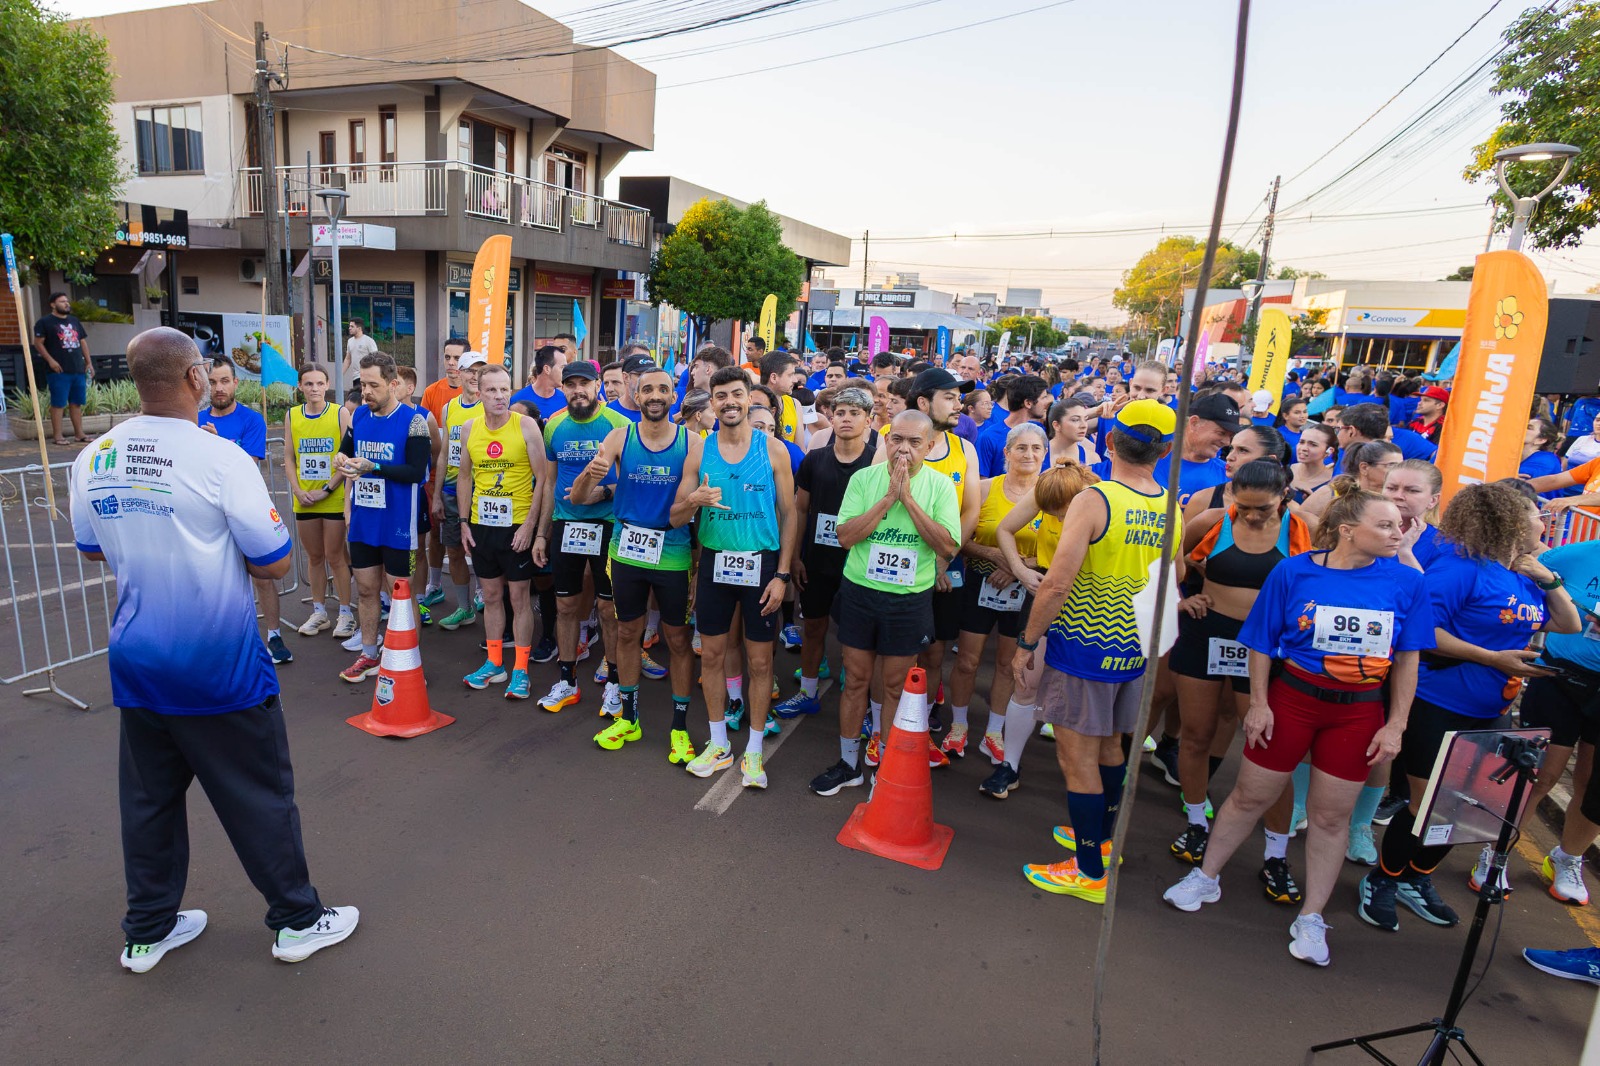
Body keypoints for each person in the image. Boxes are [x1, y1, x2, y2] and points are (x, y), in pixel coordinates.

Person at [70, 326, 357, 973]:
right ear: (196, 379)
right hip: (217, 665)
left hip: (138, 661)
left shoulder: (95, 457)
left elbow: (92, 549)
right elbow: (276, 561)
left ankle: (146, 930)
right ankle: (297, 920)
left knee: (148, 802)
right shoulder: (219, 457)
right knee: (259, 795)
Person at [1164, 489, 1432, 967]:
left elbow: (1408, 658)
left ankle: (1312, 917)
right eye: (1387, 525)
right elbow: (1262, 642)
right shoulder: (1294, 571)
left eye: (1400, 525)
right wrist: (1260, 703)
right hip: (1294, 699)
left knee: (1330, 819)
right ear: (1348, 530)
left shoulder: (1407, 582)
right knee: (1249, 796)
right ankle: (1206, 877)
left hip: (1357, 711)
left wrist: (1396, 725)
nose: (1400, 533)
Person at [1359, 484, 1578, 932]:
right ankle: (1382, 879)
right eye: (1535, 513)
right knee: (1427, 805)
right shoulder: (1461, 570)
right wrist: (1492, 658)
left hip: (1490, 710)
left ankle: (1417, 878)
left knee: (1469, 809)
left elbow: (1567, 624)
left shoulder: (1523, 575)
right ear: (1511, 522)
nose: (1544, 520)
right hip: (1438, 703)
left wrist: (1548, 578)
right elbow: (1421, 632)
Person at [1014, 399, 1181, 904]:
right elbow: (1168, 583)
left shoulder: (1096, 499)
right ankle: (1102, 843)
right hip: (1132, 649)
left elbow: (1055, 583)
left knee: (1077, 759)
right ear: (1167, 450)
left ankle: (1089, 870)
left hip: (1084, 647)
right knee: (1110, 746)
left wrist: (1027, 641)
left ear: (1109, 440)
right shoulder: (1171, 504)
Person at [1171, 460, 1312, 898]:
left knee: (1269, 752)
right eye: (1244, 506)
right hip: (1207, 632)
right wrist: (1181, 597)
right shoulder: (1213, 520)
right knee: (1195, 735)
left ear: (1285, 496)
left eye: (1263, 508)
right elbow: (1165, 553)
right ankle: (1196, 823)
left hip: (1266, 647)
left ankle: (1275, 853)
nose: (1251, 516)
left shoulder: (1305, 527)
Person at [808, 409, 960, 796]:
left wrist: (907, 499)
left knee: (894, 686)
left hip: (908, 601)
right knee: (856, 680)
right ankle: (848, 763)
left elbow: (947, 545)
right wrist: (888, 497)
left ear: (929, 445)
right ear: (886, 440)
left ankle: (886, 769)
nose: (903, 450)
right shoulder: (864, 479)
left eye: (914, 442)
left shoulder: (940, 486)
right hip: (861, 593)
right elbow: (845, 536)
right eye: (897, 440)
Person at [670, 366, 797, 788]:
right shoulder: (699, 451)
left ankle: (755, 751)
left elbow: (790, 514)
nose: (728, 402)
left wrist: (781, 575)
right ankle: (720, 742)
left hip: (761, 565)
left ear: (749, 399)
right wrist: (694, 500)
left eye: (736, 395)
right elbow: (674, 517)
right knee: (711, 657)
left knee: (761, 661)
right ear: (712, 402)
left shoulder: (773, 449)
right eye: (720, 396)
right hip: (714, 565)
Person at [571, 364, 698, 764]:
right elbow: (576, 498)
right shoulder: (618, 436)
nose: (656, 396)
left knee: (677, 639)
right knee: (627, 633)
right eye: (648, 390)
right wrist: (590, 477)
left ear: (673, 395)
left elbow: (681, 512)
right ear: (636, 395)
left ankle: (679, 727)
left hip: (673, 550)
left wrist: (692, 503)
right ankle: (629, 717)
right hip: (626, 549)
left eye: (664, 389)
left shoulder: (693, 443)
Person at [943, 424, 1047, 779]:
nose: (1029, 455)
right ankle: (958, 726)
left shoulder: (1052, 495)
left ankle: (993, 732)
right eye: (1021, 448)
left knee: (1007, 666)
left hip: (1026, 590)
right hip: (980, 582)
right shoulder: (986, 489)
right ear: (1006, 452)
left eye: (1036, 448)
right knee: (969, 662)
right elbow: (961, 537)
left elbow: (1060, 548)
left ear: (1044, 454)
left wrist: (1018, 567)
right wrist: (996, 555)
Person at [532, 360, 631, 714]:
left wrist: (603, 493)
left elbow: (633, 484)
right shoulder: (554, 426)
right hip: (565, 526)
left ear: (597, 387)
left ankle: (616, 683)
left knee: (608, 608)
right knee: (565, 606)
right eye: (570, 384)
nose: (577, 390)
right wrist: (542, 534)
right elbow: (547, 484)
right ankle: (567, 681)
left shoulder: (619, 425)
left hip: (607, 526)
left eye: (584, 384)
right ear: (563, 388)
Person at [780, 386, 878, 725]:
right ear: (831, 417)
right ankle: (808, 693)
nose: (847, 418)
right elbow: (801, 509)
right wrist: (794, 557)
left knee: (857, 641)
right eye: (841, 412)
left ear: (869, 420)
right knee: (813, 628)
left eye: (855, 413)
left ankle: (862, 706)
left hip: (860, 565)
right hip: (817, 562)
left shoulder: (876, 462)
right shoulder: (815, 460)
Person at [454, 362, 548, 699]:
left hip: (516, 527)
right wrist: (464, 523)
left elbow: (543, 479)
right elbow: (465, 476)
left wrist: (530, 526)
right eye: (491, 390)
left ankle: (521, 669)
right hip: (481, 526)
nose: (499, 396)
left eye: (504, 389)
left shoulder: (525, 426)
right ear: (478, 393)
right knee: (491, 596)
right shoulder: (469, 428)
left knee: (519, 599)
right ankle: (495, 663)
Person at [336, 352, 432, 683]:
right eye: (363, 384)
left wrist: (374, 466)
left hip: (398, 525)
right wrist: (341, 459)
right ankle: (368, 653)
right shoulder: (359, 415)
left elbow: (416, 472)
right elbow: (348, 453)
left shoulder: (414, 421)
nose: (366, 391)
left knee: (401, 595)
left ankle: (409, 662)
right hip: (364, 520)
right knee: (365, 589)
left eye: (373, 385)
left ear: (393, 384)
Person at [195, 358, 292, 666]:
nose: (218, 388)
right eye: (212, 382)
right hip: (207, 514)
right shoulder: (192, 419)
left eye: (224, 381)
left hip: (246, 510)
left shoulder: (251, 420)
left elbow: (247, 466)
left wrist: (214, 444)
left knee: (263, 576)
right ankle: (227, 641)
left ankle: (274, 635)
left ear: (235, 383)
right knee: (215, 582)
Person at [1521, 535, 1600, 906]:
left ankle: (1567, 859)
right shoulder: (1575, 554)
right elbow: (1524, 572)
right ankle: (1499, 851)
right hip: (1561, 675)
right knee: (1541, 775)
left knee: (1591, 782)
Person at [285, 364, 354, 640]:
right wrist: (298, 490)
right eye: (308, 384)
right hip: (305, 499)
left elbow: (347, 455)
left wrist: (327, 489)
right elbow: (289, 457)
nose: (314, 389)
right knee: (314, 556)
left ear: (327, 385)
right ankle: (319, 611)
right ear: (300, 387)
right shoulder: (292, 415)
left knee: (336, 556)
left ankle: (346, 614)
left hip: (333, 497)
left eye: (319, 383)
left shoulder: (340, 413)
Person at [431, 351, 486, 630]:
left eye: (480, 370)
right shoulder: (449, 408)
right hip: (452, 490)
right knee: (453, 551)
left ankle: (485, 596)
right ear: (459, 373)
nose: (474, 376)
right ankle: (464, 609)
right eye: (470, 370)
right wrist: (437, 494)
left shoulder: (492, 405)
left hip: (484, 490)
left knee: (484, 551)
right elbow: (442, 455)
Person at [32, 291, 94, 445]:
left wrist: (88, 362)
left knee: (76, 402)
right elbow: (38, 343)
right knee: (58, 403)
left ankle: (79, 434)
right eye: (62, 301)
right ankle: (58, 436)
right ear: (53, 304)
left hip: (77, 369)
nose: (66, 304)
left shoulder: (74, 321)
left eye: (67, 301)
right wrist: (51, 361)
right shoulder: (45, 322)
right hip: (58, 371)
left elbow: (82, 342)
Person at [1300, 441, 1402, 520]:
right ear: (1364, 468)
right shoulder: (1332, 493)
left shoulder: (1396, 498)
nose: (1398, 471)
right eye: (1391, 466)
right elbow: (1298, 526)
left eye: (1401, 466)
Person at [978, 376, 1048, 477]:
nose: (1047, 402)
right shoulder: (989, 437)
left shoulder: (1039, 432)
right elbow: (981, 481)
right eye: (1043, 397)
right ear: (1028, 403)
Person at [511, 343, 570, 422]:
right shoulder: (518, 402)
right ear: (547, 369)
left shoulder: (566, 401)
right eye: (562, 367)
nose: (566, 372)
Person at [1289, 423, 1338, 503]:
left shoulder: (1332, 483)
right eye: (1301, 442)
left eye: (1313, 445)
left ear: (1328, 452)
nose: (1304, 448)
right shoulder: (1288, 470)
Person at [1047, 397, 1100, 467]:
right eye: (1075, 420)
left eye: (1085, 419)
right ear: (1056, 425)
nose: (1084, 425)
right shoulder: (1038, 456)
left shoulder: (1092, 459)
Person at [1522, 417, 1565, 492]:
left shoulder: (1546, 460)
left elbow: (1516, 484)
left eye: (1529, 427)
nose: (1521, 427)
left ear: (1540, 440)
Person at [341, 318, 379, 383]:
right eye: (349, 326)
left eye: (352, 326)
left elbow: (376, 359)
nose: (349, 328)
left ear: (359, 328)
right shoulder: (350, 341)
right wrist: (341, 374)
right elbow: (348, 359)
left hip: (367, 377)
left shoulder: (369, 341)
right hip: (355, 377)